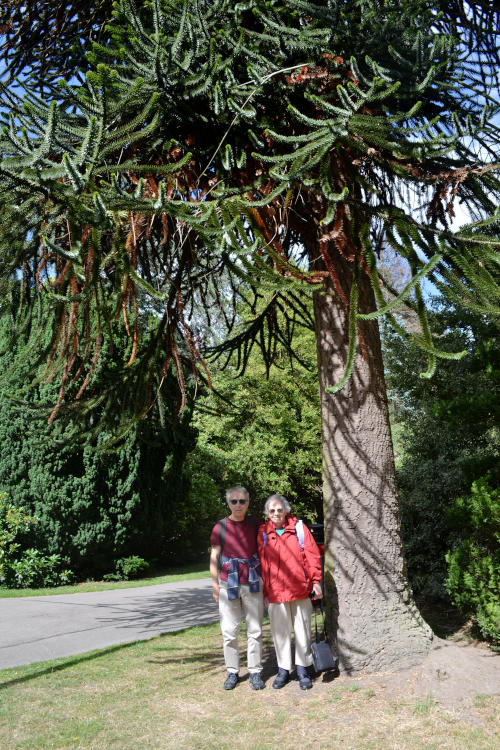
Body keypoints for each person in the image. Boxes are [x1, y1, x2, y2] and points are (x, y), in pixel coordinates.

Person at [258, 493, 323, 690]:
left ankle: (303, 668)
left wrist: (316, 582)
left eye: (280, 509)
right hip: (276, 593)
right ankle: (283, 670)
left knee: (302, 630)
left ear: (286, 510)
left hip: (300, 589)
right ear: (267, 514)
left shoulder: (299, 529)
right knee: (280, 633)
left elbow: (312, 556)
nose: (276, 513)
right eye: (272, 510)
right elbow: (262, 565)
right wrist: (264, 592)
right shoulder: (262, 533)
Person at [210, 486, 265, 690]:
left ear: (248, 502)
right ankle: (232, 671)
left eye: (242, 501)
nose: (238, 505)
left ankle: (255, 671)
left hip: (252, 582)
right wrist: (215, 585)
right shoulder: (220, 527)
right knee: (229, 631)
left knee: (255, 630)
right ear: (228, 503)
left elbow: (265, 550)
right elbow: (214, 556)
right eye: (234, 501)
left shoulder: (255, 524)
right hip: (228, 583)